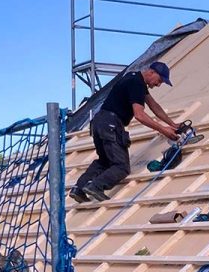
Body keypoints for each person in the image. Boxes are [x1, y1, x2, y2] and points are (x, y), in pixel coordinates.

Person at [71, 61, 181, 202]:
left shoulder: (133, 78)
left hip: (99, 123)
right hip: (111, 124)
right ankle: (96, 186)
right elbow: (139, 115)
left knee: (105, 161)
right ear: (151, 72)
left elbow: (153, 105)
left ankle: (79, 189)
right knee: (121, 167)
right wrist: (163, 130)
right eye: (159, 80)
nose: (158, 85)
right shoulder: (137, 84)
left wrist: (172, 124)